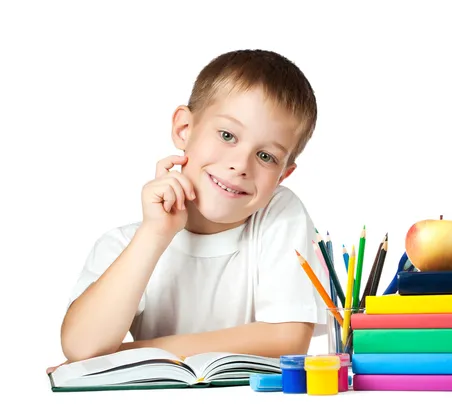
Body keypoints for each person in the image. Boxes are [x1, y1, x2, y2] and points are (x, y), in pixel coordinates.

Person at [55, 49, 329, 367]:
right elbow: (80, 348)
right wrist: (155, 234)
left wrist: (132, 353)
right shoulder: (123, 245)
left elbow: (288, 339)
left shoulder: (280, 214)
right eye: (227, 135)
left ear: (283, 175)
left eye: (266, 156)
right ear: (184, 129)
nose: (240, 165)